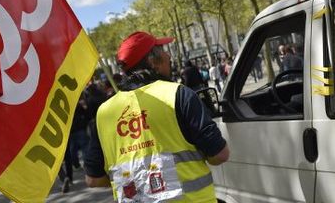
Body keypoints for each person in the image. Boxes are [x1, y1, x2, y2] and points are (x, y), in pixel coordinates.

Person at [84, 31, 229, 202]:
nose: (169, 55)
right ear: (154, 63)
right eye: (162, 50)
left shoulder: (104, 113)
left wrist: (138, 180)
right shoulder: (179, 95)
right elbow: (220, 155)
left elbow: (93, 179)